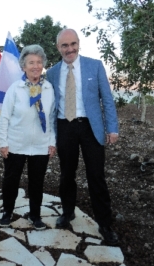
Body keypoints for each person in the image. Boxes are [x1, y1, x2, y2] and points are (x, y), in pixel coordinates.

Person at [46, 29, 119, 245]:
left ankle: (105, 224)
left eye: (73, 44)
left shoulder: (94, 66)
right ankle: (68, 212)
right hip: (64, 127)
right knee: (67, 174)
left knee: (96, 176)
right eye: (64, 45)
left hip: (90, 127)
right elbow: (50, 107)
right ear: (58, 48)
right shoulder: (52, 73)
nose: (70, 49)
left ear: (79, 43)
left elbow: (107, 99)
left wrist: (112, 128)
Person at [0, 44, 56, 230]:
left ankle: (35, 215)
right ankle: (7, 212)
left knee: (37, 183)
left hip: (40, 145)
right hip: (15, 144)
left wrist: (52, 142)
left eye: (39, 62)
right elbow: (4, 117)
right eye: (31, 62)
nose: (35, 66)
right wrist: (3, 142)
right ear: (23, 66)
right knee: (11, 181)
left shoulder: (48, 89)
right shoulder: (15, 88)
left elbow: (52, 118)